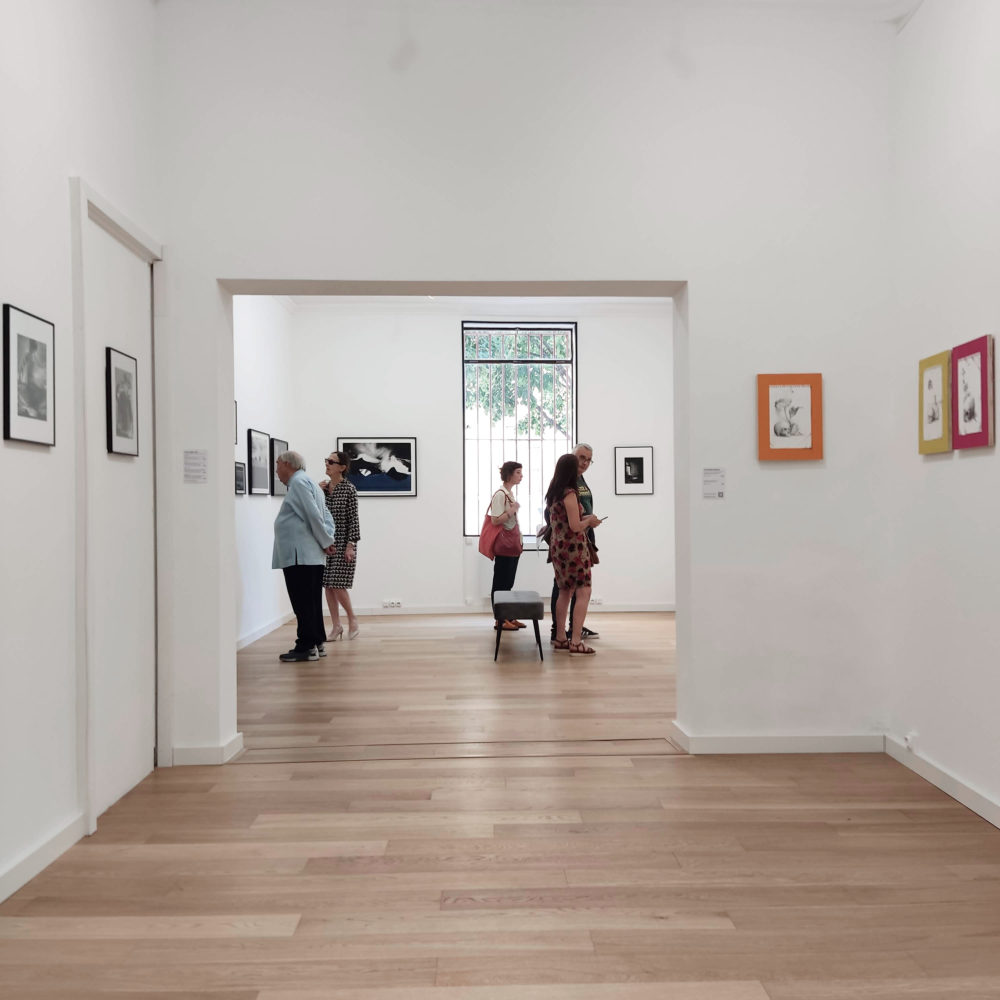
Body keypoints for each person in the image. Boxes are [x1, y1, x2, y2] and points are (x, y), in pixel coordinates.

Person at [272, 451, 336, 662]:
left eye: (278, 464)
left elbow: (313, 515)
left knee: (302, 602)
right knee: (311, 601)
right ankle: (317, 642)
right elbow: (325, 514)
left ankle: (305, 647)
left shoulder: (298, 483)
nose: (276, 469)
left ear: (288, 464)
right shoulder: (309, 481)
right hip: (309, 554)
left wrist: (326, 541)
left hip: (300, 554)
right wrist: (327, 538)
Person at [545, 452, 602, 654]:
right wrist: (590, 520)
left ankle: (561, 638)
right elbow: (576, 526)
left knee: (564, 591)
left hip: (559, 547)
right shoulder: (569, 493)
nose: (583, 466)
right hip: (573, 549)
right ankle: (576, 641)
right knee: (583, 591)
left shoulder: (554, 492)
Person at [320, 450, 361, 640]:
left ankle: (352, 619)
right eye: (326, 460)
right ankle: (336, 626)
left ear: (342, 467)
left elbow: (354, 520)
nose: (327, 464)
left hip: (345, 543)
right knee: (327, 585)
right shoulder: (323, 489)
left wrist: (350, 545)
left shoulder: (349, 489)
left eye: (331, 461)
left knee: (338, 584)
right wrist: (316, 490)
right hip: (326, 543)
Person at [490, 461, 525, 632]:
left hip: (512, 546)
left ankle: (508, 617)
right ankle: (500, 620)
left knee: (508, 583)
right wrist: (512, 511)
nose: (521, 476)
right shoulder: (500, 494)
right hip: (505, 546)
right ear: (510, 474)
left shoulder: (508, 493)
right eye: (518, 472)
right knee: (500, 583)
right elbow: (495, 520)